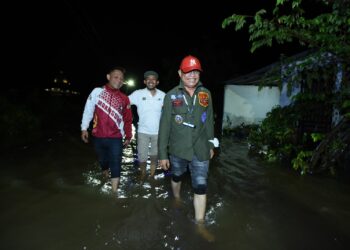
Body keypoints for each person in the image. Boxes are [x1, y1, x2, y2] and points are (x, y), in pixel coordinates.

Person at [158, 55, 219, 241]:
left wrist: (210, 143)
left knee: (200, 186)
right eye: (188, 72)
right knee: (176, 176)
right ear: (180, 73)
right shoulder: (171, 96)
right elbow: (165, 126)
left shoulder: (206, 94)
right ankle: (176, 198)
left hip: (200, 148)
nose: (192, 75)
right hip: (178, 149)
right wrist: (162, 154)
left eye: (196, 72)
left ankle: (200, 225)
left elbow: (209, 121)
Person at [81, 66, 132, 193]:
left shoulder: (124, 98)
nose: (119, 80)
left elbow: (128, 119)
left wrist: (129, 135)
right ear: (108, 77)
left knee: (116, 161)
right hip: (98, 136)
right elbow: (88, 110)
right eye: (116, 77)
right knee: (103, 160)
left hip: (116, 137)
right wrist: (84, 128)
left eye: (121, 79)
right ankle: (104, 171)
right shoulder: (97, 92)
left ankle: (114, 193)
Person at [128, 70, 165, 179]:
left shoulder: (163, 95)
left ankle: (152, 175)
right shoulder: (138, 93)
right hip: (142, 131)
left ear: (157, 82)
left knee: (154, 156)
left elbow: (170, 111)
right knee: (142, 156)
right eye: (148, 79)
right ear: (144, 81)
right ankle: (143, 173)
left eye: (153, 79)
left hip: (158, 132)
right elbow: (125, 102)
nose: (150, 81)